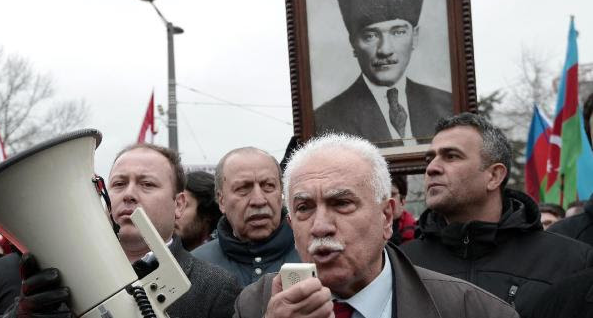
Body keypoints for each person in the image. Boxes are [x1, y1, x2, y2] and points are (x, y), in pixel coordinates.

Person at [234, 133, 518, 318]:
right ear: (291, 225)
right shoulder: (254, 305)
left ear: (386, 217)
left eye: (341, 203)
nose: (320, 227)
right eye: (304, 208)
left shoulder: (472, 310)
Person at [0, 143, 242, 318]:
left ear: (179, 204)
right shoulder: (62, 279)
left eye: (147, 184)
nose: (129, 194)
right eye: (119, 184)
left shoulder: (216, 287)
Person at [401, 113, 593, 318]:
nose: (431, 168)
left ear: (494, 176)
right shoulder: (401, 263)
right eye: (430, 159)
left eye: (451, 156)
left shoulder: (570, 259)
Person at [314, 0, 452, 148]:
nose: (385, 50)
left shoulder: (448, 106)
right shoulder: (323, 121)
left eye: (398, 32)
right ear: (353, 44)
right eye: (370, 36)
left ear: (415, 37)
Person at [193, 147, 300, 286]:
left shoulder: (314, 255)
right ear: (221, 200)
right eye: (243, 188)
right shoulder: (195, 268)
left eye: (268, 186)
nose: (259, 200)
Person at [175, 171, 222, 251]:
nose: (175, 213)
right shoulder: (156, 257)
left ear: (207, 214)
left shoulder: (219, 260)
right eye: (175, 204)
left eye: (184, 205)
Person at [389, 175, 416, 245]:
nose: (388, 199)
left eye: (392, 194)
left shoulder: (415, 231)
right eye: (384, 195)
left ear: (403, 201)